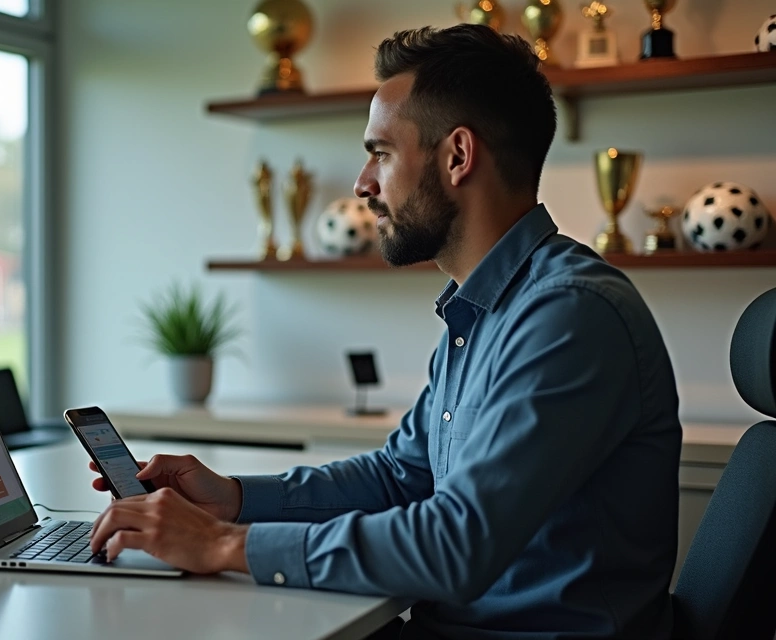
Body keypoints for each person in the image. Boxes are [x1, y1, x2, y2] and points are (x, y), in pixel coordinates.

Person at [88, 24, 681, 639]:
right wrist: (234, 499)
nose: (363, 184)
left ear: (458, 156)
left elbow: (456, 544)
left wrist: (221, 544)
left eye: (382, 153)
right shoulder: (483, 312)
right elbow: (400, 477)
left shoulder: (567, 316)